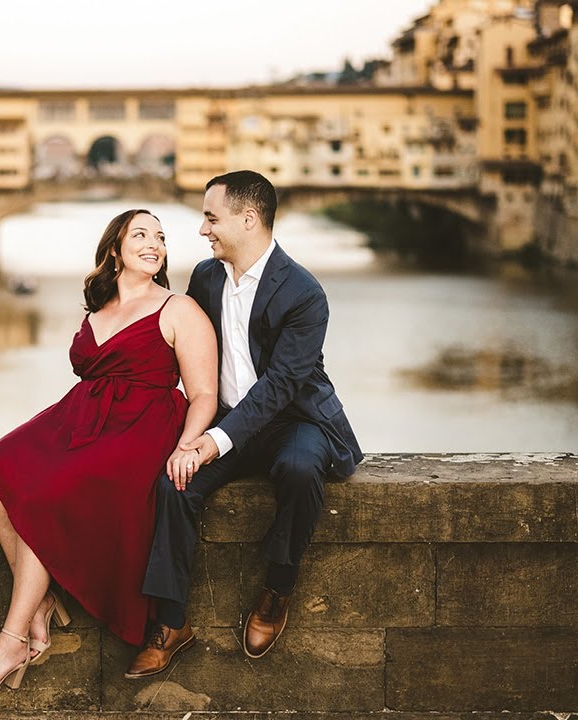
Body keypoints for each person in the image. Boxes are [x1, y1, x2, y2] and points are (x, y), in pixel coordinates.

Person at [0, 208, 218, 691]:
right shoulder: (99, 307)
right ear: (114, 249)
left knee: (52, 494)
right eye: (141, 235)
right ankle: (40, 601)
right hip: (81, 417)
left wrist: (188, 445)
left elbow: (205, 393)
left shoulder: (179, 309)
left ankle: (12, 638)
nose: (155, 244)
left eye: (161, 237)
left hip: (142, 427)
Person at [126, 171, 363, 679]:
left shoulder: (304, 293)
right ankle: (171, 624)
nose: (202, 230)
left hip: (293, 419)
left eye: (211, 217)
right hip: (228, 416)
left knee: (301, 471)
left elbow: (280, 387)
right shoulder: (207, 278)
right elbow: (182, 355)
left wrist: (210, 443)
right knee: (174, 482)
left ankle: (278, 587)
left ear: (248, 219)